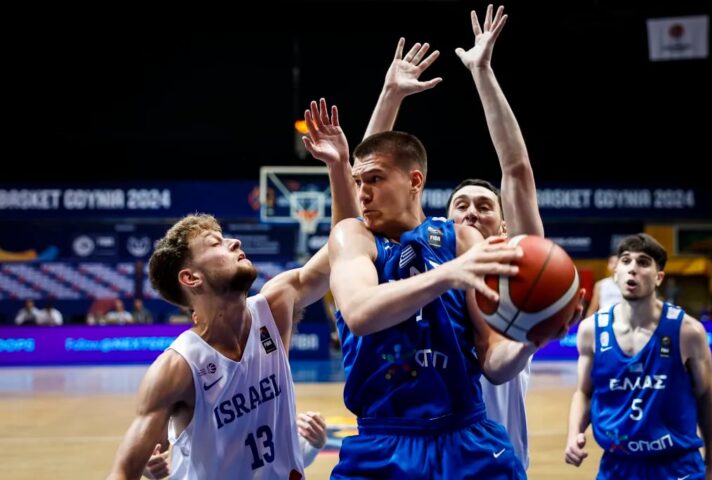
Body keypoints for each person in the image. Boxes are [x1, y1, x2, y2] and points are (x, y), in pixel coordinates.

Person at [361, 5, 544, 469]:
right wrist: (389, 95)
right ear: (445, 225)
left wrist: (482, 72)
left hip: (493, 453)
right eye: (461, 206)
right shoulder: (423, 258)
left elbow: (516, 171)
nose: (471, 212)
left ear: (505, 227)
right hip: (424, 447)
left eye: (484, 206)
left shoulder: (516, 271)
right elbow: (368, 176)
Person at [106, 214, 332, 479]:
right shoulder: (177, 367)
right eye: (215, 243)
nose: (235, 242)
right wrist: (146, 462)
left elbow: (343, 248)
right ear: (191, 278)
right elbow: (124, 472)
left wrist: (341, 183)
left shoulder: (273, 310)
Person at [565, 233, 712, 479]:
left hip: (677, 466)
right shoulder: (591, 330)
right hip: (618, 466)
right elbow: (584, 392)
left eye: (643, 262)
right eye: (626, 261)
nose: (632, 268)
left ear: (659, 277)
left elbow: (705, 396)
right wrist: (574, 433)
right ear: (615, 273)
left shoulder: (688, 332)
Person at [141, 411, 328, 479]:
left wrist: (313, 445)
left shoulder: (268, 374)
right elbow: (145, 453)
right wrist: (144, 465)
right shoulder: (180, 369)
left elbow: (282, 459)